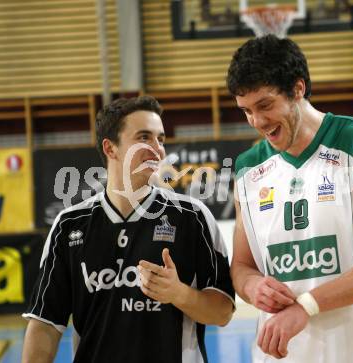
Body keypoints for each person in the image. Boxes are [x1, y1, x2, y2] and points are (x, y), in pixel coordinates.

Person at [227, 35, 353, 363]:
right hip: (284, 354)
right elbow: (242, 266)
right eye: (247, 111)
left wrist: (306, 306)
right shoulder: (248, 169)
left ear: (298, 89)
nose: (257, 121)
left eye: (265, 105)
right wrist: (254, 287)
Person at [22, 96, 235, 363]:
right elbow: (45, 324)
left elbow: (223, 312)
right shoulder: (69, 226)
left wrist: (179, 293)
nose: (157, 149)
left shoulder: (192, 218)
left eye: (161, 139)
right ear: (111, 148)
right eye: (144, 137)